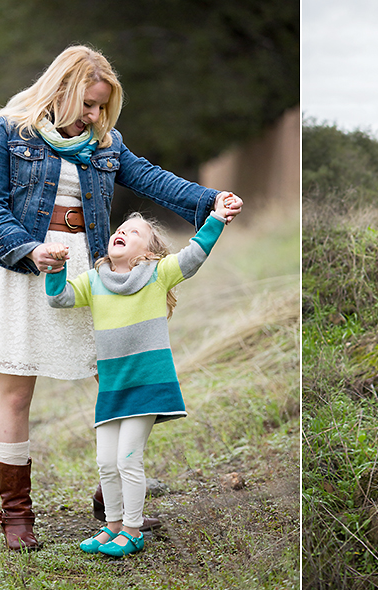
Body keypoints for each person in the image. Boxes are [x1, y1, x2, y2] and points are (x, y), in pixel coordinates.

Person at [0, 45, 242, 552]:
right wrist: (29, 250)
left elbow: (151, 178)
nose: (94, 116)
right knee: (17, 391)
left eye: (101, 108)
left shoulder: (104, 143)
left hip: (87, 265)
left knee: (117, 376)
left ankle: (113, 504)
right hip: (21, 261)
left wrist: (209, 200)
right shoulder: (6, 130)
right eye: (88, 104)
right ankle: (17, 515)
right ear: (61, 89)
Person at [44, 198, 232, 557]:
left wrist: (217, 219)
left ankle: (133, 529)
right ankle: (112, 526)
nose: (121, 233)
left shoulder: (158, 274)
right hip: (112, 388)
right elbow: (59, 299)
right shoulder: (94, 281)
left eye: (134, 233)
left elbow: (194, 255)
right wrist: (55, 270)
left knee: (128, 459)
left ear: (148, 252)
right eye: (120, 229)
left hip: (147, 386)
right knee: (105, 462)